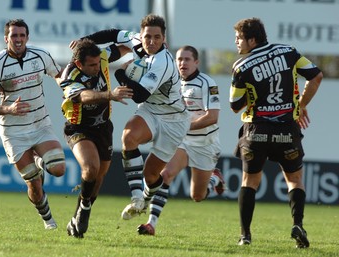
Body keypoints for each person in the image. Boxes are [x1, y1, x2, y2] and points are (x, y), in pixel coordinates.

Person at [75, 14, 191, 228]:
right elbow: (112, 33)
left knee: (152, 173)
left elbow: (139, 95)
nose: (152, 42)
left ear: (164, 38)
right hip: (151, 110)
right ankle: (137, 197)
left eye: (157, 37)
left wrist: (121, 74)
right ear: (142, 35)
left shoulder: (163, 62)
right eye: (148, 37)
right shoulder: (137, 40)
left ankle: (145, 198)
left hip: (174, 119)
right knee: (128, 137)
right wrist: (85, 40)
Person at [230, 17, 323, 248]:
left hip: (256, 131)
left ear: (252, 39)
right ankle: (298, 224)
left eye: (239, 38)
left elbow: (234, 104)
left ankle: (245, 236)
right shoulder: (289, 52)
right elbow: (316, 76)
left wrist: (254, 91)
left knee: (249, 181)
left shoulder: (242, 66)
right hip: (287, 130)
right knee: (295, 180)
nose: (236, 42)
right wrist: (301, 105)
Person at [0, 19, 66, 230]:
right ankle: (48, 221)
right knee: (34, 184)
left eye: (21, 35)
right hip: (13, 132)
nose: (18, 39)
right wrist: (8, 109)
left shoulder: (41, 55)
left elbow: (59, 75)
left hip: (40, 123)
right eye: (14, 36)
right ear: (6, 38)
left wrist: (69, 91)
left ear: (27, 37)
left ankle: (41, 162)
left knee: (59, 168)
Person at [136, 45, 226, 235]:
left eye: (187, 59)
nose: (182, 63)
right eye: (179, 59)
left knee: (197, 196)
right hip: (182, 141)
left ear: (196, 62)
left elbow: (213, 117)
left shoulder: (207, 83)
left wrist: (184, 126)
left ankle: (213, 179)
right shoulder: (172, 82)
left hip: (205, 144)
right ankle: (151, 224)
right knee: (166, 174)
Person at [60, 38, 133, 238]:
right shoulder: (69, 76)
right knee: (90, 168)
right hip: (78, 127)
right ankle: (84, 207)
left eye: (97, 64)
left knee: (99, 175)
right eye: (91, 65)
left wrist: (147, 48)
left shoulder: (101, 56)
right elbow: (83, 97)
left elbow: (126, 46)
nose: (96, 68)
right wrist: (110, 95)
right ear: (78, 64)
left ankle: (76, 218)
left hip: (103, 128)